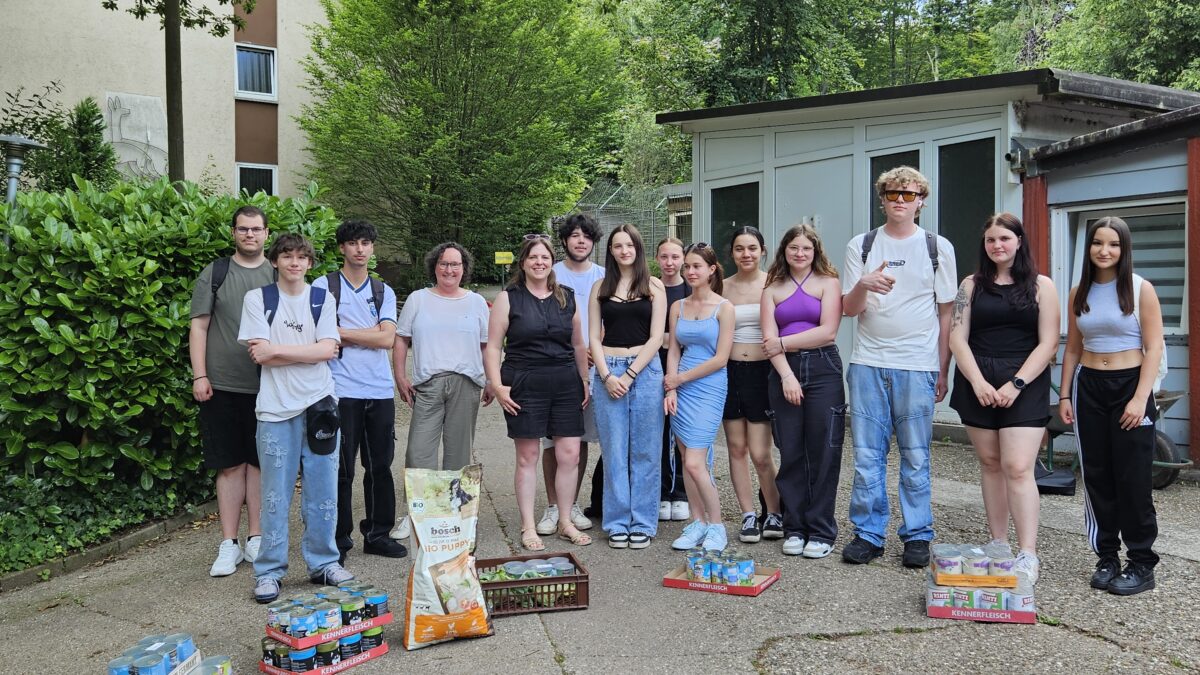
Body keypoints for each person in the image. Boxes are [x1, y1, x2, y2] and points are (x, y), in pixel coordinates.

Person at [841, 166, 957, 568]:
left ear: (921, 201)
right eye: (894, 194)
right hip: (868, 362)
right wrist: (864, 284)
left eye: (909, 195)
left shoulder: (937, 247)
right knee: (867, 455)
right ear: (882, 198)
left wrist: (942, 369)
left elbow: (947, 315)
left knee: (916, 456)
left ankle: (917, 535)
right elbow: (848, 310)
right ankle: (868, 534)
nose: (901, 201)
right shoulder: (863, 244)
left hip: (918, 364)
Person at [237, 233, 354, 603]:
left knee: (323, 491)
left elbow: (329, 350)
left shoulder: (322, 298)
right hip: (275, 409)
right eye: (287, 256)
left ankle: (324, 563)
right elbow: (259, 355)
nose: (294, 262)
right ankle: (270, 571)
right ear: (274, 261)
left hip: (319, 405)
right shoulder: (258, 299)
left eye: (302, 257)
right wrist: (309, 352)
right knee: (275, 495)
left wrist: (278, 350)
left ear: (309, 263)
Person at [948, 213, 1058, 583]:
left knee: (1017, 466)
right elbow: (957, 339)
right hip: (977, 380)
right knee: (991, 463)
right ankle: (998, 543)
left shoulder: (1042, 286)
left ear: (1019, 242)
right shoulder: (970, 286)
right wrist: (977, 381)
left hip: (1023, 381)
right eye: (991, 239)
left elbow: (1049, 342)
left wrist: (1017, 383)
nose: (998, 245)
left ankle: (1028, 552)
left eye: (1005, 239)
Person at [1059, 216, 1164, 596]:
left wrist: (1140, 399)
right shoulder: (1078, 292)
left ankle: (1141, 562)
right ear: (1088, 249)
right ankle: (1107, 557)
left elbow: (1154, 348)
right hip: (1089, 388)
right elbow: (1072, 347)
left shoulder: (1140, 290)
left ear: (1124, 249)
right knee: (1098, 477)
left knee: (1133, 478)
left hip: (1131, 387)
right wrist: (1065, 394)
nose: (1105, 251)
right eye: (1097, 243)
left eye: (1114, 244)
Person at [485, 236, 593, 550]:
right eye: (533, 257)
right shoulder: (509, 298)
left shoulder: (566, 297)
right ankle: (528, 526)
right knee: (528, 456)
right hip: (523, 381)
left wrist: (584, 380)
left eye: (544, 257)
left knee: (569, 455)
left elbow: (577, 344)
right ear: (523, 262)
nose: (539, 262)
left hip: (565, 382)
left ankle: (565, 521)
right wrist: (497, 384)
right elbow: (493, 346)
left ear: (552, 263)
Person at [310, 220, 407, 562]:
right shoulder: (323, 286)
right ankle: (338, 541)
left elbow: (386, 339)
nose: (360, 249)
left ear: (373, 248)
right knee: (340, 470)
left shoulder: (383, 290)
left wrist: (343, 332)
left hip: (379, 392)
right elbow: (321, 336)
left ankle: (378, 533)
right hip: (339, 392)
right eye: (353, 243)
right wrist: (366, 332)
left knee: (380, 466)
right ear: (341, 248)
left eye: (366, 242)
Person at [189, 205, 273, 577]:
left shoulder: (278, 272)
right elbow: (199, 327)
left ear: (267, 233)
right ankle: (229, 544)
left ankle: (256, 537)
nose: (249, 235)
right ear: (233, 233)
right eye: (243, 229)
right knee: (228, 464)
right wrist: (199, 375)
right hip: (220, 384)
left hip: (269, 386)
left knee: (257, 464)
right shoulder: (216, 273)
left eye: (256, 229)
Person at [393, 242, 492, 541]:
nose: (450, 269)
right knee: (419, 451)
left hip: (466, 382)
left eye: (456, 264)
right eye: (444, 264)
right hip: (428, 384)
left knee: (458, 453)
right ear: (434, 266)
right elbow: (401, 340)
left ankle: (456, 518)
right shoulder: (418, 299)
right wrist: (400, 376)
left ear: (464, 268)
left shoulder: (476, 303)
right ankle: (417, 516)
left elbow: (487, 346)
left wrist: (491, 380)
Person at [761, 224, 845, 558]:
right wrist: (786, 376)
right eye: (794, 248)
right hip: (784, 371)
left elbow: (828, 332)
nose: (800, 254)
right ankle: (795, 526)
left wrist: (782, 341)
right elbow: (768, 342)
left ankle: (822, 530)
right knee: (791, 449)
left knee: (824, 449)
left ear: (815, 252)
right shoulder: (772, 288)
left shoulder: (829, 283)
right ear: (785, 250)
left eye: (806, 249)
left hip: (824, 368)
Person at [589, 224, 667, 549]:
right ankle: (618, 521)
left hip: (645, 371)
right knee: (614, 450)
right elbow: (593, 336)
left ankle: (644, 522)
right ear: (610, 251)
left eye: (629, 245)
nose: (624, 251)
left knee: (646, 451)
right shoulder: (599, 287)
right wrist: (607, 376)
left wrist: (631, 373)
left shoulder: (654, 286)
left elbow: (656, 337)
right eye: (617, 246)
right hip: (608, 370)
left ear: (638, 248)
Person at [537, 215, 604, 536]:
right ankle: (552, 507)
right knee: (552, 441)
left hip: (598, 369)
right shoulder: (550, 274)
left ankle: (571, 503)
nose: (580, 241)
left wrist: (597, 350)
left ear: (593, 242)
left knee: (580, 439)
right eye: (574, 236)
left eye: (586, 237)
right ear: (564, 241)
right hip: (558, 367)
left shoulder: (604, 277)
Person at [666, 243, 735, 552]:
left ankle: (717, 526)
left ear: (711, 270)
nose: (691, 272)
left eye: (697, 266)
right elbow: (674, 350)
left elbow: (721, 358)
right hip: (680, 388)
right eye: (687, 267)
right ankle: (697, 523)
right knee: (684, 458)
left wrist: (680, 378)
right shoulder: (677, 307)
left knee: (695, 462)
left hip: (708, 387)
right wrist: (671, 387)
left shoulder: (724, 307)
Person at [721, 226, 783, 544]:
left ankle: (772, 511)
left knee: (760, 453)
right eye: (739, 249)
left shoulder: (773, 283)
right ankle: (747, 515)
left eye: (752, 248)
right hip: (729, 372)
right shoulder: (721, 286)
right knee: (736, 448)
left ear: (762, 250)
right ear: (731, 253)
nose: (746, 254)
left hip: (763, 372)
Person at [655, 238, 690, 522]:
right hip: (652, 366)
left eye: (675, 257)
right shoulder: (650, 288)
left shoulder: (692, 289)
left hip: (687, 368)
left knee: (681, 432)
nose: (670, 262)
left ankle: (681, 493)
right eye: (664, 257)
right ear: (657, 259)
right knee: (657, 431)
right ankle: (662, 491)